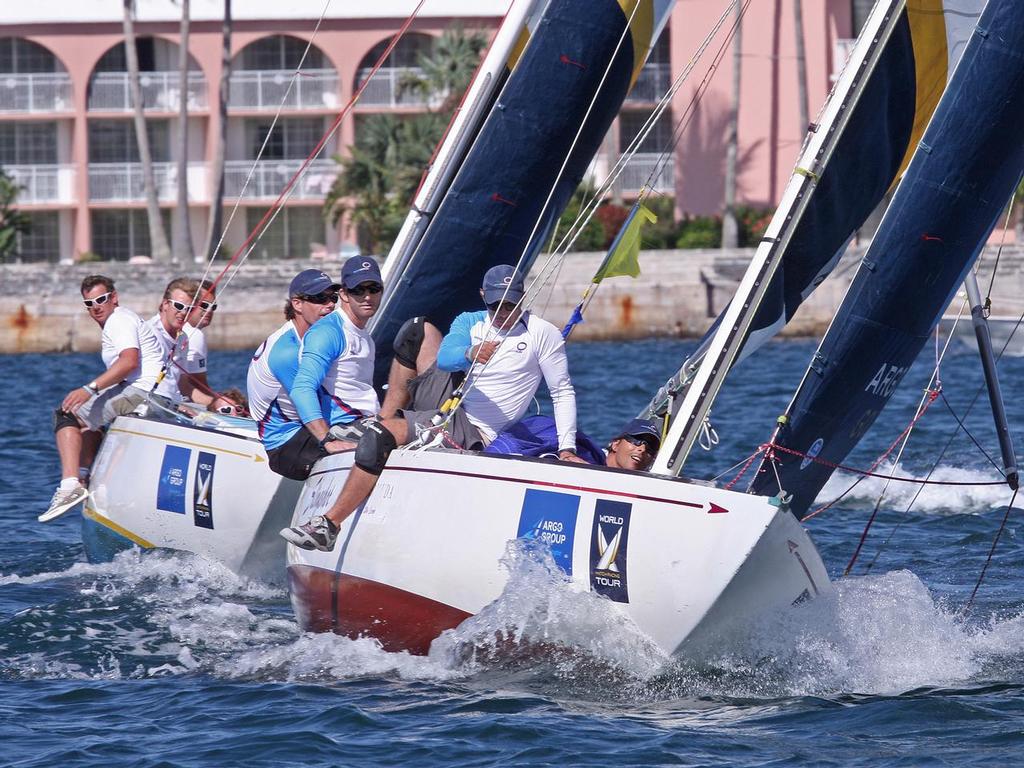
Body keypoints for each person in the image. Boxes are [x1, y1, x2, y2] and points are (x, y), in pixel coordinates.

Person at [280, 263, 584, 552]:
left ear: (523, 299)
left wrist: (567, 448)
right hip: (452, 411)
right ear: (483, 297)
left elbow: (561, 391)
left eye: (511, 305)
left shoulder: (542, 334)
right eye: (496, 305)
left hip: (479, 432)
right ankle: (333, 515)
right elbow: (447, 358)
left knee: (379, 434)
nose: (503, 313)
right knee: (382, 419)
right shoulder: (470, 321)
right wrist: (470, 353)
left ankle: (328, 524)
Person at [42, 275, 165, 521]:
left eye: (101, 299)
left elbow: (129, 362)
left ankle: (70, 486)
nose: (96, 306)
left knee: (67, 414)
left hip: (143, 394)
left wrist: (89, 388)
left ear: (114, 297)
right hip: (151, 391)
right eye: (89, 303)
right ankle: (88, 478)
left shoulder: (117, 320)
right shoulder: (124, 319)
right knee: (89, 419)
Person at [247, 269, 343, 480]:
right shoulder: (288, 352)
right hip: (286, 446)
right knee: (368, 448)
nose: (329, 305)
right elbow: (311, 402)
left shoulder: (310, 339)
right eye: (320, 298)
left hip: (303, 430)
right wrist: (330, 442)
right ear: (297, 304)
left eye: (333, 298)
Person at [288, 256, 384, 456]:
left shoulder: (364, 335)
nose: (367, 296)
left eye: (373, 289)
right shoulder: (328, 332)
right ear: (344, 294)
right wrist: (327, 440)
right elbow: (301, 389)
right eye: (359, 290)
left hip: (367, 422)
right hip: (343, 428)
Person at [147, 277, 214, 407]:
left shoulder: (183, 338)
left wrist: (215, 403)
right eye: (179, 306)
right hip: (150, 403)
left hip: (173, 405)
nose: (183, 312)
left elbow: (183, 385)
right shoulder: (148, 332)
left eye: (189, 309)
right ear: (165, 304)